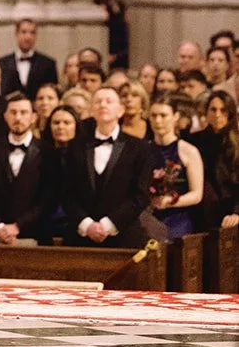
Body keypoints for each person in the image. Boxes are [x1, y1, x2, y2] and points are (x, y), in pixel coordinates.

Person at [60, 86, 152, 248]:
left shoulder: (139, 148)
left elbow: (141, 195)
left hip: (124, 237)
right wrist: (87, 225)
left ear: (121, 110)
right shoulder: (75, 147)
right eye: (98, 101)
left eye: (109, 101)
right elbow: (66, 192)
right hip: (80, 238)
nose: (103, 105)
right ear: (91, 110)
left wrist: (108, 225)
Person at [0, 94, 44, 245]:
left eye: (23, 112)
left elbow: (48, 199)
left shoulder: (48, 152)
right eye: (13, 112)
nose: (18, 118)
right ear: (5, 116)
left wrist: (18, 225)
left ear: (33, 117)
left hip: (34, 236)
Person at [147, 92, 203, 240]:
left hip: (177, 220)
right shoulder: (142, 150)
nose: (158, 121)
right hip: (148, 218)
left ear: (175, 117)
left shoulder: (189, 151)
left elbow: (197, 194)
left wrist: (170, 202)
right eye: (153, 115)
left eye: (163, 115)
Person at [193, 90, 239, 229]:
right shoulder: (194, 141)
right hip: (202, 211)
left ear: (230, 113)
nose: (218, 115)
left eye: (223, 110)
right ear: (206, 112)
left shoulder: (236, 143)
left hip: (231, 209)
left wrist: (237, 213)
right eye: (213, 109)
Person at [39, 103, 81, 243]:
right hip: (44, 219)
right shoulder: (39, 155)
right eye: (56, 122)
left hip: (77, 221)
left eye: (67, 122)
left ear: (76, 126)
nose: (60, 127)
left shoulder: (85, 156)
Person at [0, 19, 59, 100]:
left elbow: (52, 93)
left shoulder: (48, 64)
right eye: (24, 32)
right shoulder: (2, 63)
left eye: (32, 33)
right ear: (16, 34)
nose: (28, 37)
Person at [96, 0, 130, 70]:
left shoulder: (118, 4)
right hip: (108, 32)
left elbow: (124, 17)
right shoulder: (99, 4)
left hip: (118, 33)